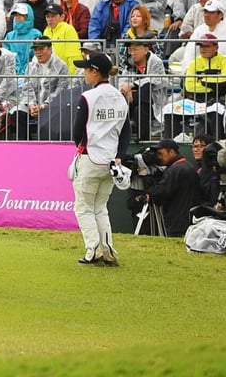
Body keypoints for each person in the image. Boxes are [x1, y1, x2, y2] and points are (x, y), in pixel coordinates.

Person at [70, 53, 129, 267]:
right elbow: (126, 132)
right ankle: (108, 250)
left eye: (86, 68)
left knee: (84, 207)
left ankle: (92, 250)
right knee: (100, 207)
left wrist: (81, 145)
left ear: (95, 72)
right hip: (112, 161)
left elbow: (77, 131)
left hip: (90, 157)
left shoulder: (88, 97)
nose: (84, 72)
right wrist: (120, 156)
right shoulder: (119, 96)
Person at [139, 138, 201, 238]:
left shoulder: (174, 170)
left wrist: (148, 187)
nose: (159, 157)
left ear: (171, 152)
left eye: (161, 154)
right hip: (191, 219)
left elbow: (161, 192)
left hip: (177, 221)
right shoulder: (189, 166)